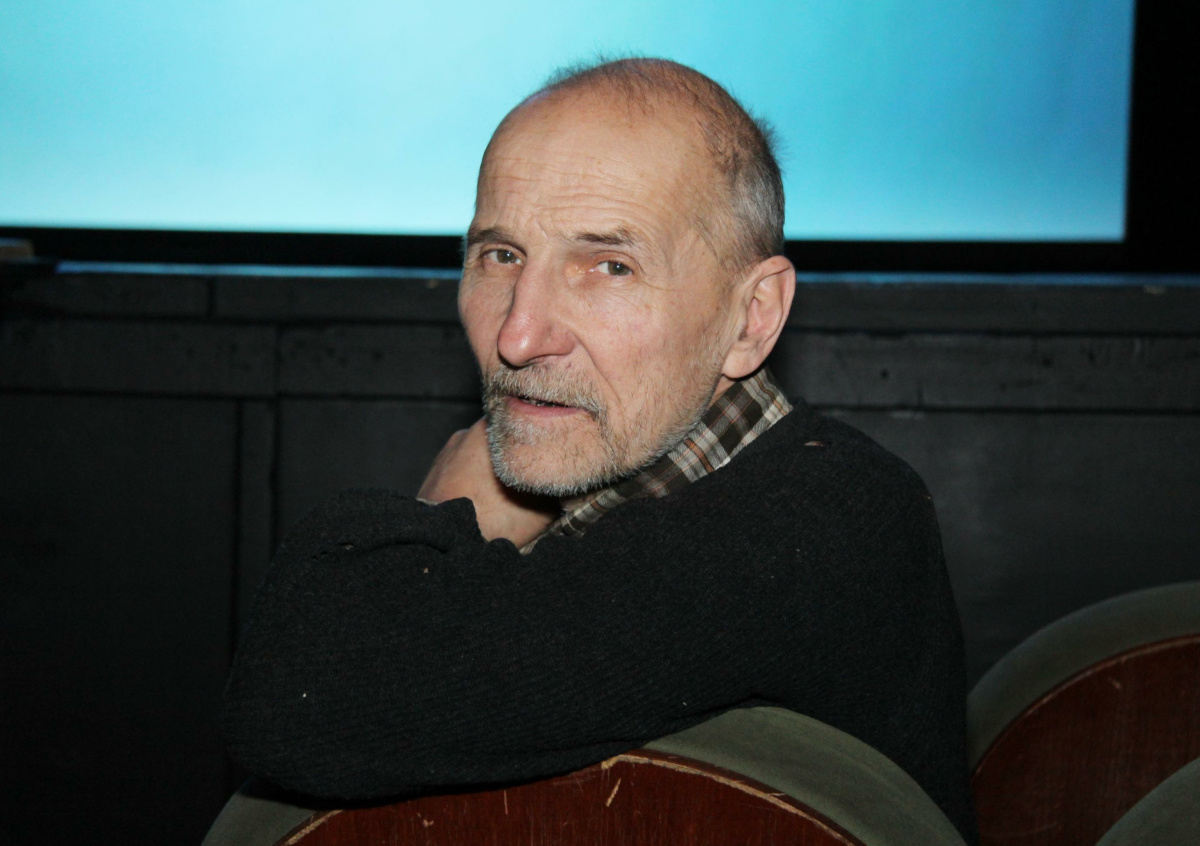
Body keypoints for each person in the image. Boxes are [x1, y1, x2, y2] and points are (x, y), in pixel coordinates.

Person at [221, 58, 976, 840]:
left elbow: (300, 698)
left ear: (752, 317)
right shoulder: (621, 491)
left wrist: (446, 516)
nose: (518, 336)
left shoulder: (828, 523)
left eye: (610, 267)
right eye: (501, 256)